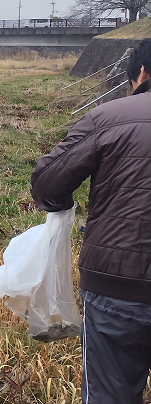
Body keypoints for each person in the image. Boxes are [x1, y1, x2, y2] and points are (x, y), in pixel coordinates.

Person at [30, 38, 151, 403]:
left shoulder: (108, 118)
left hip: (117, 285)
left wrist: (62, 205)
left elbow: (47, 183)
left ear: (141, 73)